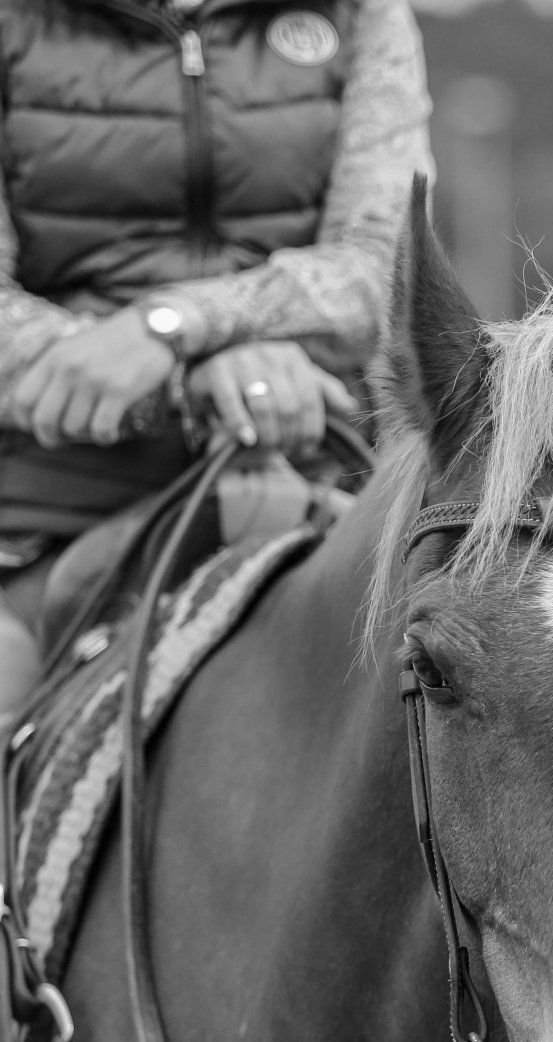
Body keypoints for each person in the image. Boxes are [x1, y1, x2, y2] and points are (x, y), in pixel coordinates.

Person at [0, 0, 435, 721]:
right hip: (50, 512)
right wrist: (194, 377)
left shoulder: (360, 13)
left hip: (320, 480)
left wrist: (180, 326)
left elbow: (384, 266)